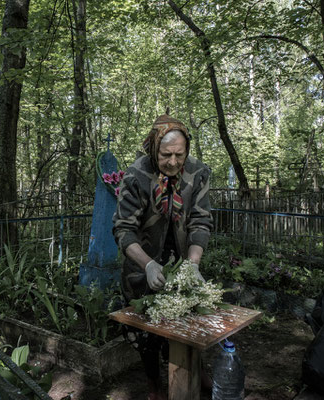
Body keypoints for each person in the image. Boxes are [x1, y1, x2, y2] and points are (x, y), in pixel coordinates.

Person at [112, 114, 213, 400]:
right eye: (165, 155)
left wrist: (193, 264)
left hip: (182, 258)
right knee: (147, 330)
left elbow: (201, 222)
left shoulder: (198, 173)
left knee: (188, 319)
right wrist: (148, 264)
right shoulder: (135, 175)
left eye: (179, 155)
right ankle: (154, 386)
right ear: (154, 149)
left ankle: (197, 371)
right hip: (143, 261)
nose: (172, 162)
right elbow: (123, 229)